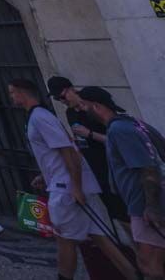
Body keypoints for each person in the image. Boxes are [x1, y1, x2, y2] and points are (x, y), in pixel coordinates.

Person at [9, 78, 130, 280]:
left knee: (64, 238)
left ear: (22, 93)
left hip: (65, 188)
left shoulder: (40, 117)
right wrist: (44, 175)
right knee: (101, 237)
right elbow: (59, 152)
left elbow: (69, 151)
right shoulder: (38, 117)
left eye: (12, 92)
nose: (11, 97)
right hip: (65, 182)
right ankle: (133, 274)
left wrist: (75, 187)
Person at [78, 86, 165, 280]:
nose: (82, 109)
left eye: (84, 105)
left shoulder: (119, 130)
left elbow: (148, 169)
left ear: (97, 106)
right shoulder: (132, 124)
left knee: (149, 265)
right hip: (144, 202)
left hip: (146, 203)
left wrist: (152, 207)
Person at [50, 76, 128, 222]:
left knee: (129, 213)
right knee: (117, 215)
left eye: (62, 96)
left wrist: (90, 134)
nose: (63, 101)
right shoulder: (70, 113)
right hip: (96, 170)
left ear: (72, 89)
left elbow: (115, 139)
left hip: (114, 167)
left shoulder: (94, 109)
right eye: (57, 99)